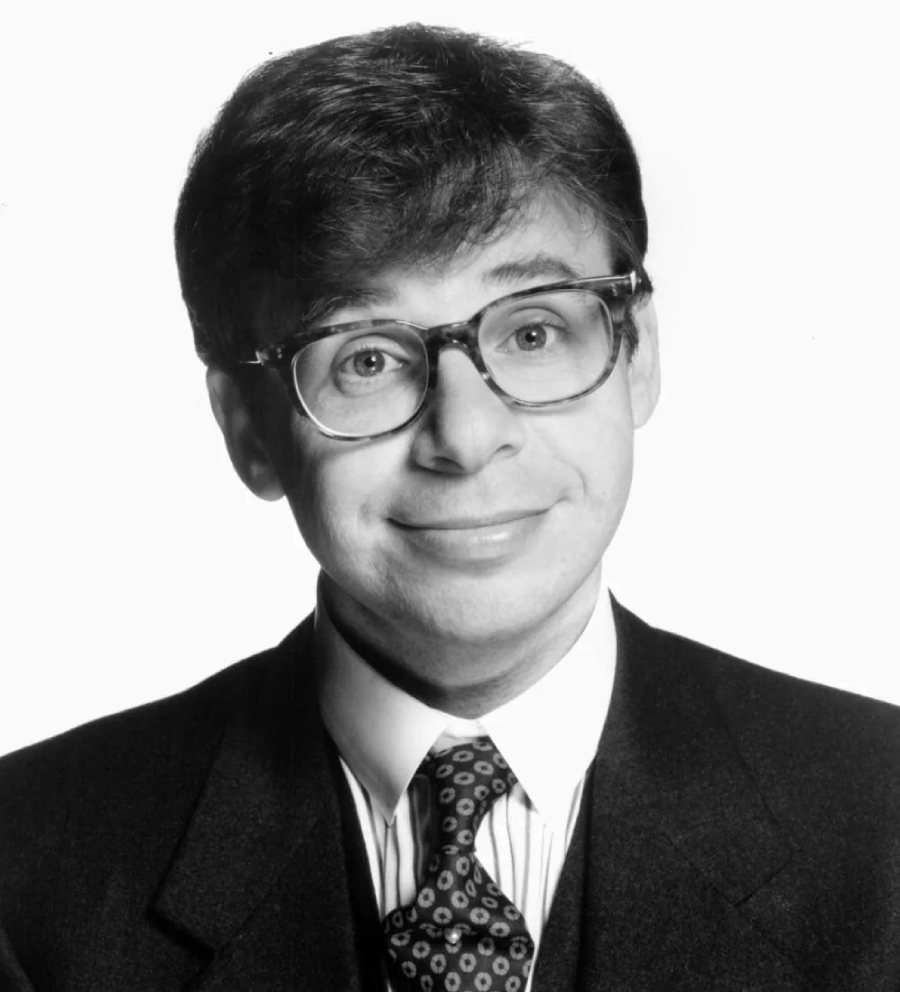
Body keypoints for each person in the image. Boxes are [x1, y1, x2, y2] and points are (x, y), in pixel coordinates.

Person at [1, 22, 898, 992]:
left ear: (637, 355)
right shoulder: (30, 875)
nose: (465, 437)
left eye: (534, 329)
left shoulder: (881, 821)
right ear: (250, 427)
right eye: (368, 357)